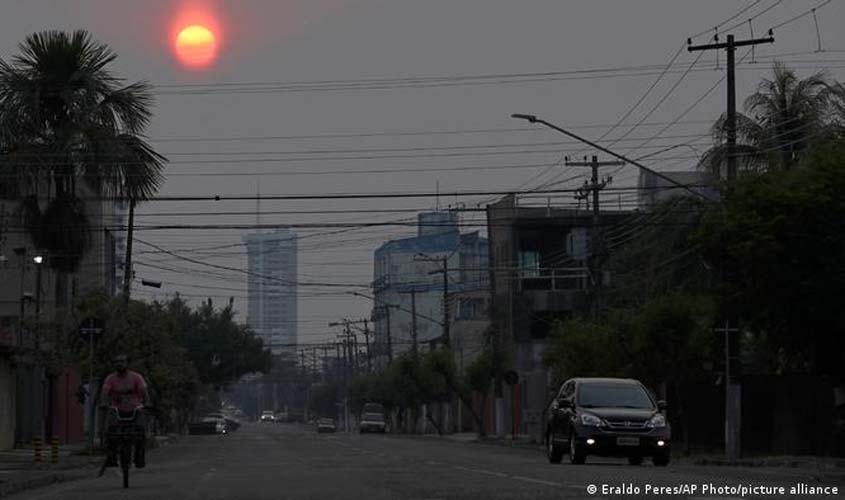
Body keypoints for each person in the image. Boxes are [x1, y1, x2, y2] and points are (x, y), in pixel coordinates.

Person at [101, 354, 150, 468]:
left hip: (135, 409)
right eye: (117, 362)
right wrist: (103, 403)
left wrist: (147, 402)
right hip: (117, 409)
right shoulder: (110, 378)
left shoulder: (136, 377)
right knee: (111, 432)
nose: (119, 364)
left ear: (127, 363)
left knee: (140, 432)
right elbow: (105, 392)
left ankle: (139, 458)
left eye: (122, 361)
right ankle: (112, 458)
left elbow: (144, 391)